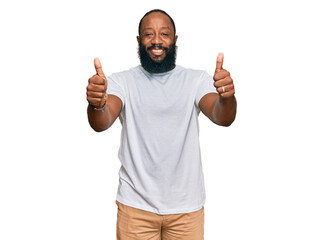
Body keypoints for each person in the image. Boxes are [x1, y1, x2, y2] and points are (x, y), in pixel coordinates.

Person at [86, 9, 236, 240]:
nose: (157, 40)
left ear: (175, 40)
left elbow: (222, 117)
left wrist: (227, 97)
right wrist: (97, 104)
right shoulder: (121, 81)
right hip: (135, 207)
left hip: (186, 209)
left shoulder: (195, 80)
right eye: (148, 34)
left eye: (164, 34)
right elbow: (102, 121)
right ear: (139, 41)